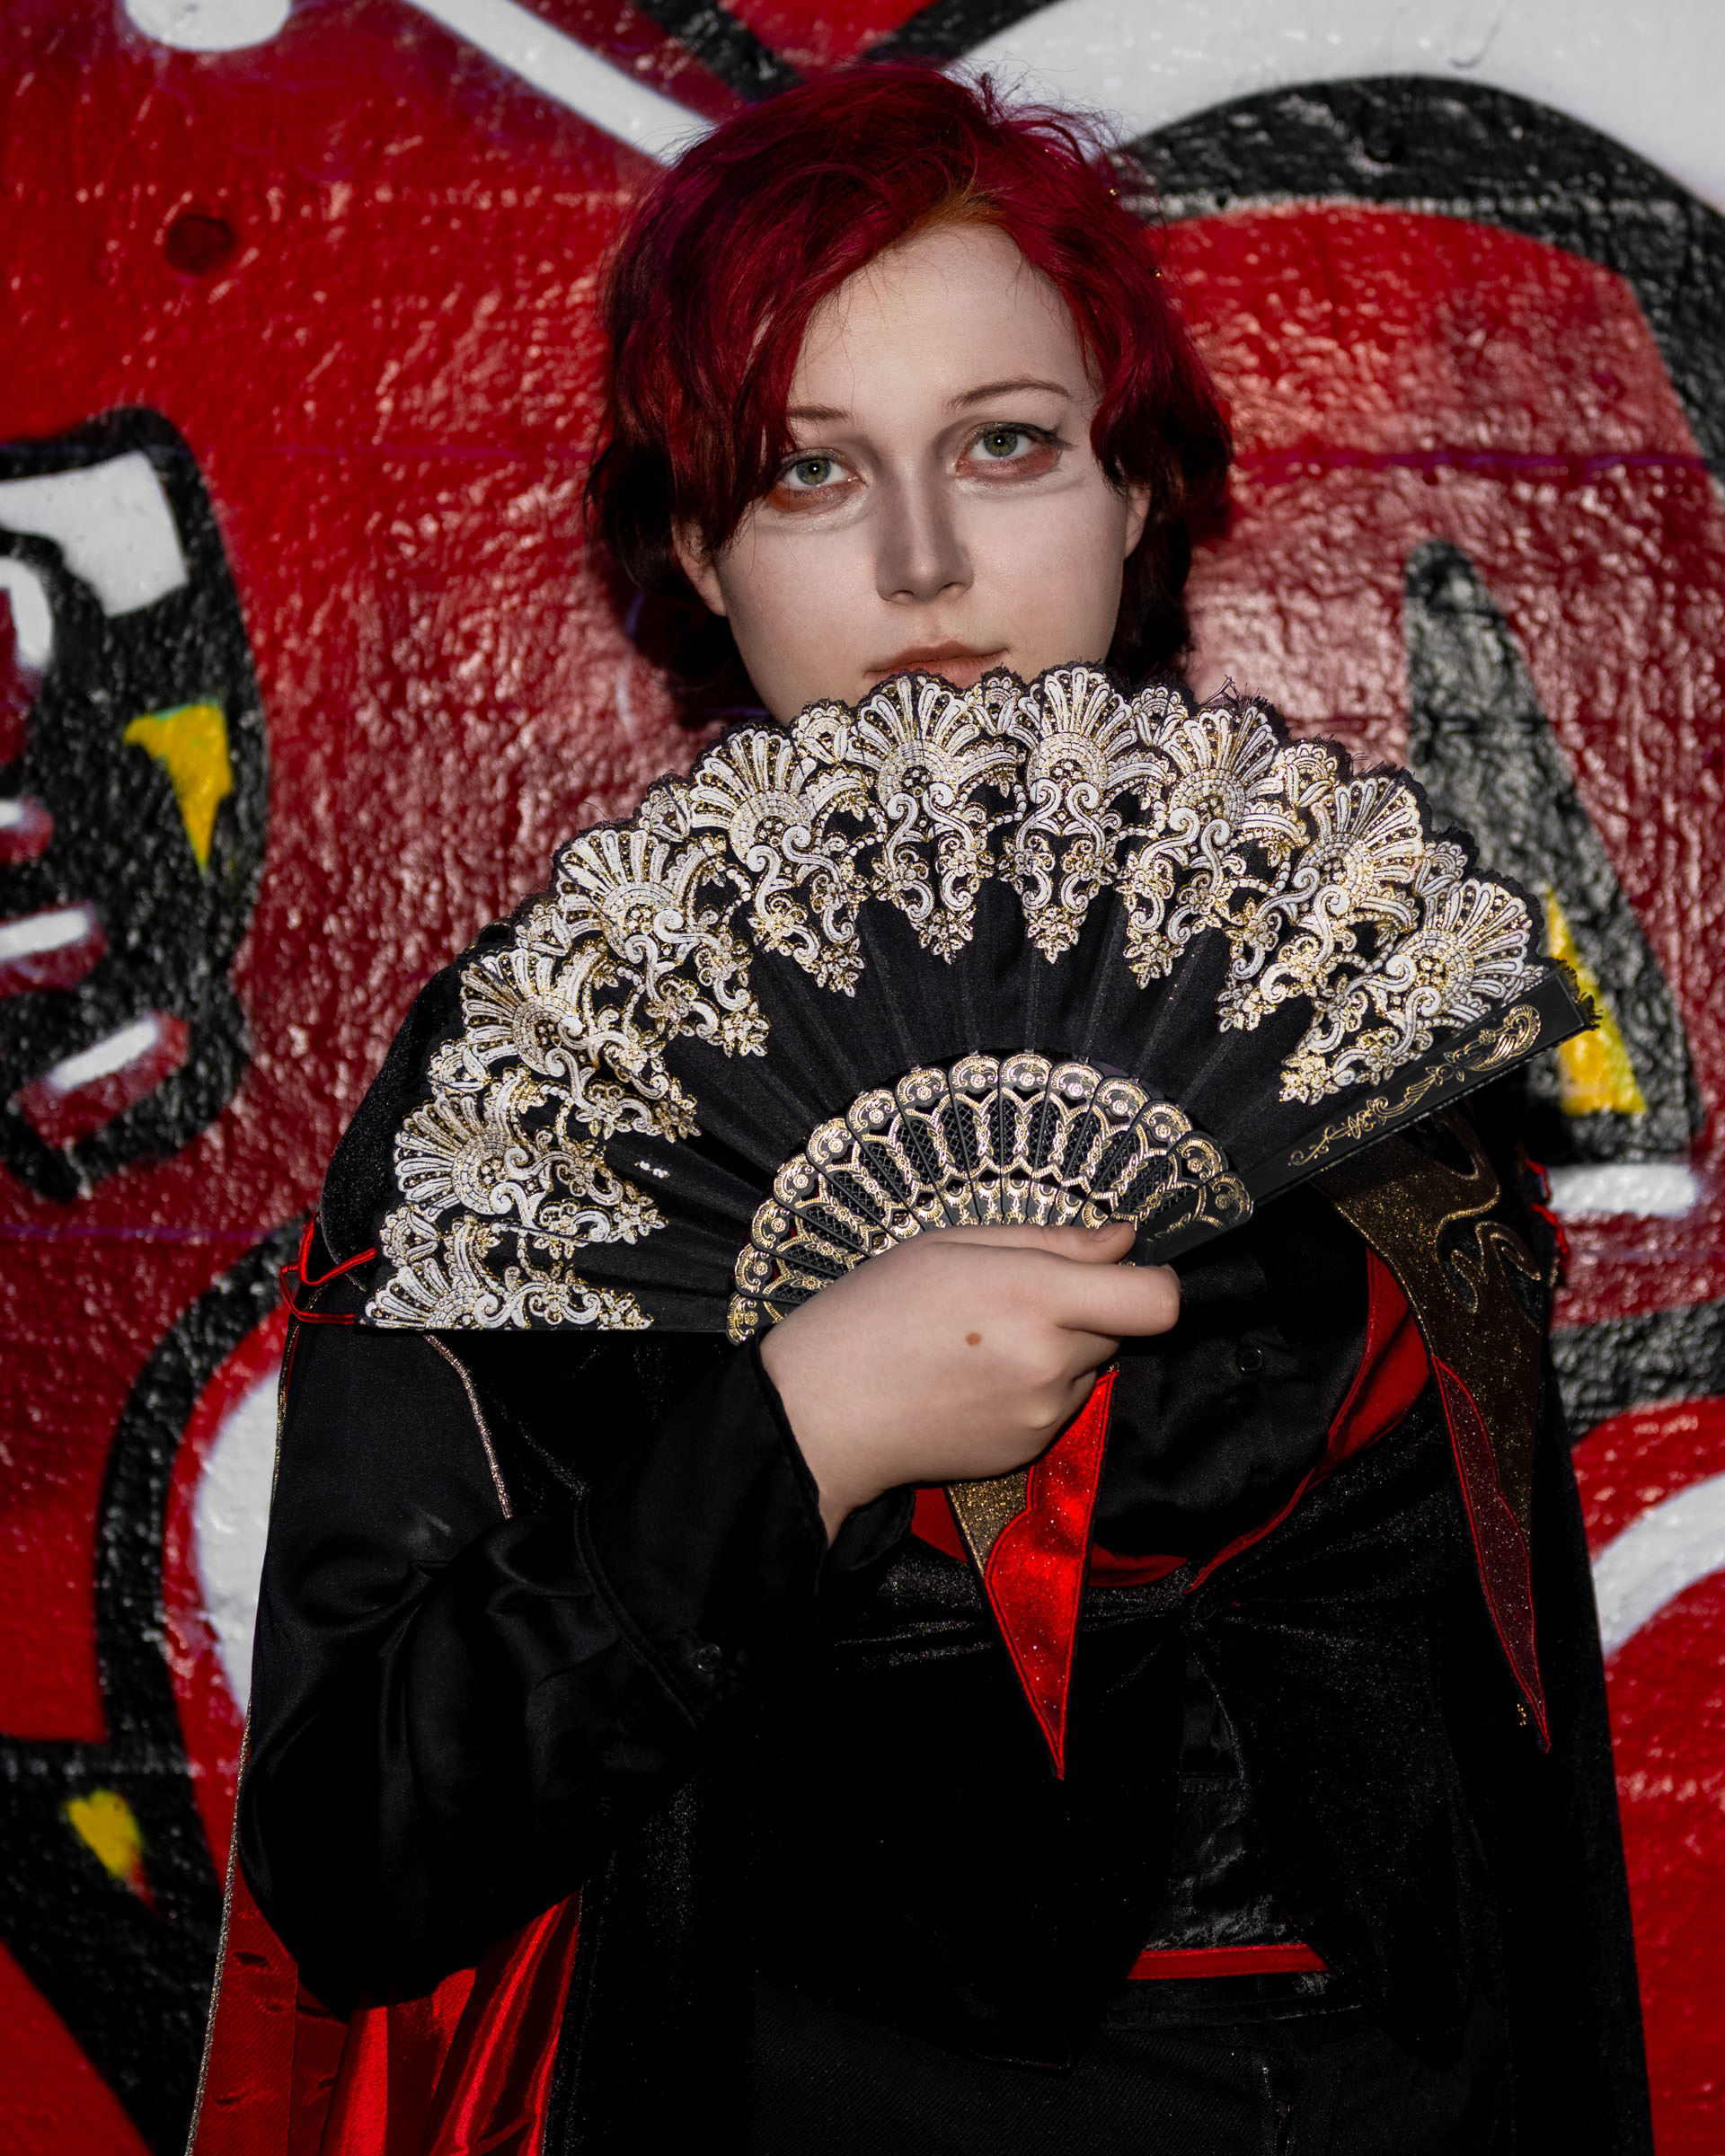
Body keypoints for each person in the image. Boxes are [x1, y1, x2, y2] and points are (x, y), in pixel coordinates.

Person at [190, 64, 1652, 2156]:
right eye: (807, 475)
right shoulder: (536, 1086)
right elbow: (353, 1850)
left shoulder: (1365, 1031)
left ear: (1137, 494)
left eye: (1007, 445)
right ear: (698, 549)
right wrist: (796, 1437)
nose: (924, 557)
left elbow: (1531, 1816)